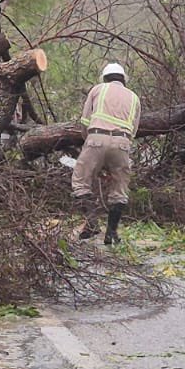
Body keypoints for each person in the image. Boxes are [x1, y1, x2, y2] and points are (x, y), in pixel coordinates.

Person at [72, 62, 141, 244]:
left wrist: (91, 147)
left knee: (80, 182)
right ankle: (111, 233)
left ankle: (92, 222)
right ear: (123, 79)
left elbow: (85, 122)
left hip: (96, 138)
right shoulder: (134, 97)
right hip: (122, 143)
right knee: (119, 190)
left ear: (105, 77)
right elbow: (133, 131)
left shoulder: (98, 90)